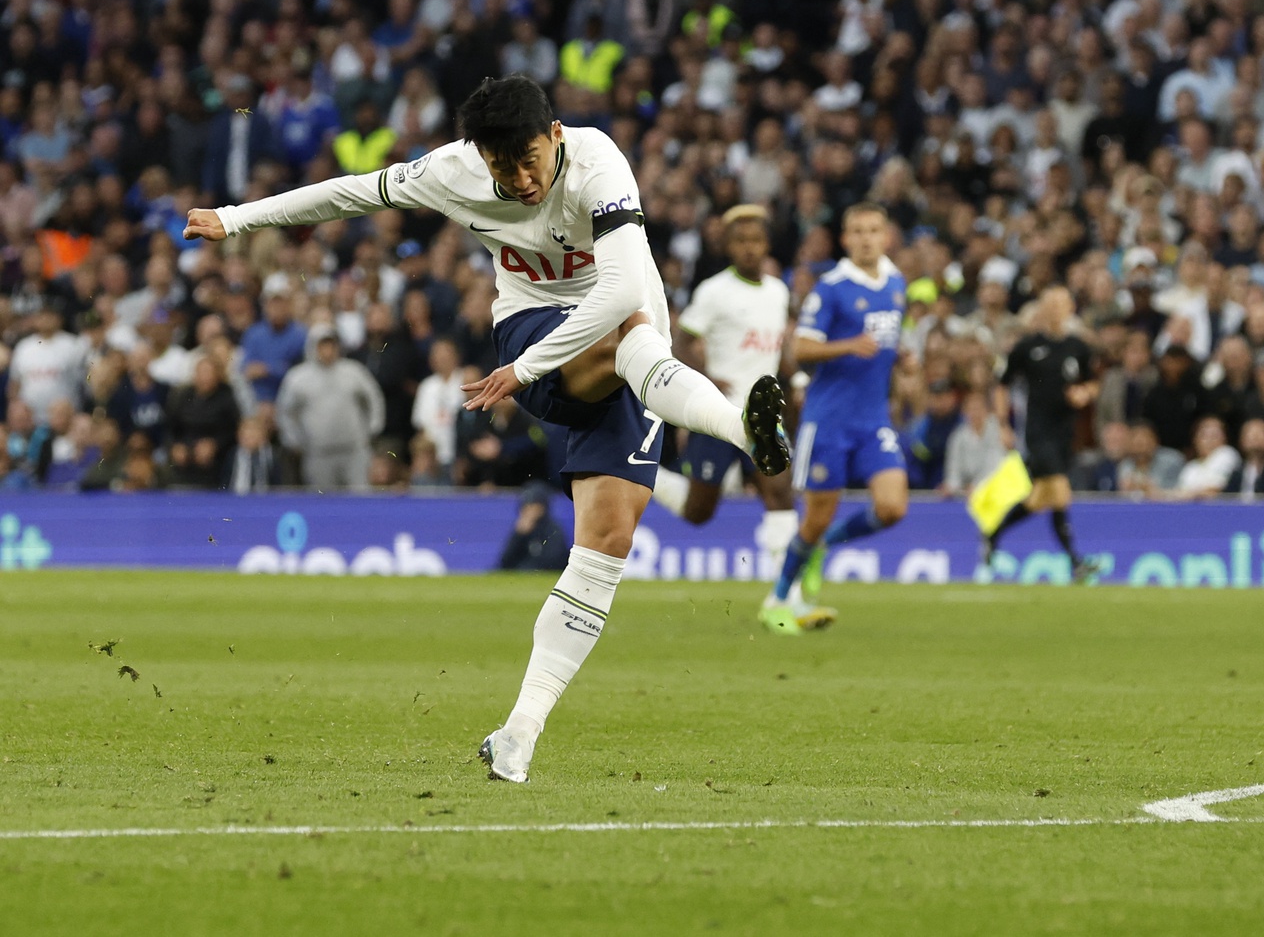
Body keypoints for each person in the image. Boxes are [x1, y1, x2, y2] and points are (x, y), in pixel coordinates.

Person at [184, 75, 791, 785]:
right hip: (539, 330)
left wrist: (528, 369)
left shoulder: (599, 163)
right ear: (481, 156)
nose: (523, 179)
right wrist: (238, 217)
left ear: (555, 135)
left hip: (620, 350)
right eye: (505, 168)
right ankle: (746, 435)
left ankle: (519, 734)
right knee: (629, 338)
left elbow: (624, 286)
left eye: (532, 159)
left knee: (606, 542)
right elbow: (351, 191)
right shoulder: (453, 171)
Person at [761, 203, 908, 635]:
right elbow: (801, 349)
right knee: (816, 516)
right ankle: (779, 599)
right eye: (858, 231)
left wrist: (904, 360)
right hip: (829, 421)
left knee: (893, 506)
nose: (866, 238)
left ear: (886, 236)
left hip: (874, 418)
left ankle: (824, 547)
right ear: (846, 239)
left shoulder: (897, 283)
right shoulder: (832, 288)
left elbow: (883, 344)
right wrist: (847, 346)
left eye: (874, 230)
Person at [649, 205, 800, 587]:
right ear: (729, 246)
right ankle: (648, 476)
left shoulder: (779, 292)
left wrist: (791, 381)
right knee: (700, 511)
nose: (750, 248)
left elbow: (780, 349)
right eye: (741, 241)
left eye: (756, 241)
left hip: (762, 414)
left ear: (767, 245)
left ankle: (786, 591)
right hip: (717, 413)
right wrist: (702, 378)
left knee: (780, 493)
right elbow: (682, 339)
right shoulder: (714, 292)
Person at [976, 285, 1107, 582]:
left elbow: (1093, 383)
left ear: (1071, 308)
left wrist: (1085, 393)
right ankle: (1076, 562)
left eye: (1062, 303)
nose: (1056, 309)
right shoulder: (1027, 347)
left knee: (1039, 499)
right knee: (1060, 491)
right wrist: (1003, 424)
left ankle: (992, 534)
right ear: (1042, 309)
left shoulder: (1078, 347)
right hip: (1037, 430)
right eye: (1050, 303)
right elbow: (1002, 385)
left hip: (1065, 433)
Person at [274, 327, 384, 490]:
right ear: (313, 347)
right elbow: (284, 412)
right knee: (323, 505)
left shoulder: (353, 371)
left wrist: (373, 428)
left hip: (354, 451)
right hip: (317, 453)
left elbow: (374, 398)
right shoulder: (298, 378)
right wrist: (293, 440)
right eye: (322, 345)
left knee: (360, 500)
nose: (327, 350)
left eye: (331, 345)